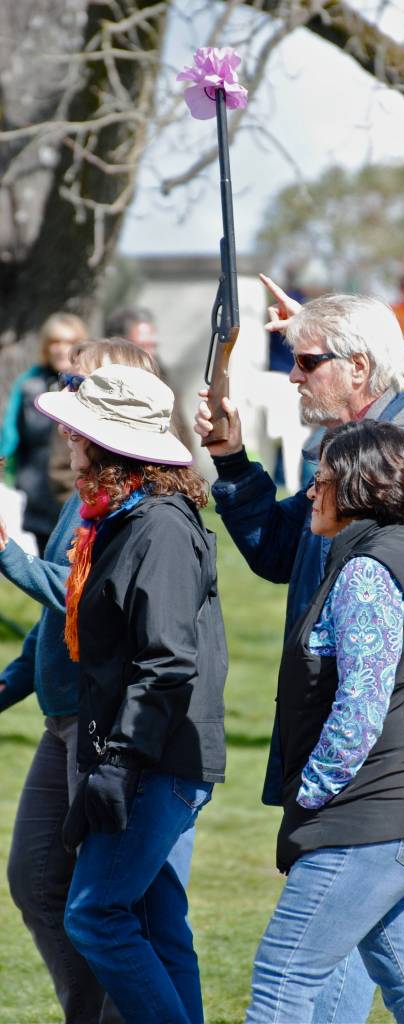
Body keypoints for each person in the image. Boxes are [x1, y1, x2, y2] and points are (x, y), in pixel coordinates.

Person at [195, 282, 404, 1023]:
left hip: (384, 768)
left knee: (295, 974)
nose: (293, 375)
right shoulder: (352, 458)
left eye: (307, 361)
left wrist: (322, 789)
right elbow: (280, 551)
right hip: (381, 769)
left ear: (358, 367)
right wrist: (231, 460)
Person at [245, 419, 404, 1023]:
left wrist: (312, 794)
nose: (309, 493)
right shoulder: (388, 550)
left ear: (355, 488)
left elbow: (360, 709)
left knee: (282, 976)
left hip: (380, 812)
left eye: (320, 480)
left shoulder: (367, 572)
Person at [0, 340, 161, 1024]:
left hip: (101, 725)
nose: (64, 399)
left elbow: (86, 597)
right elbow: (55, 620)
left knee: (106, 904)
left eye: (78, 383)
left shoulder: (136, 500)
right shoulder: (84, 493)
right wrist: (8, 685)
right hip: (61, 718)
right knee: (36, 879)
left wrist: (7, 555)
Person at [1, 312, 88, 552]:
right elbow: (12, 438)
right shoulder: (30, 386)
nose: (61, 349)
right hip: (38, 496)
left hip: (78, 495)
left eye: (69, 342)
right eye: (55, 342)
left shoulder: (92, 387)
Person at [104, 304, 194, 450]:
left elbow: (182, 433)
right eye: (142, 346)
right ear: (118, 346)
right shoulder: (105, 387)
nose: (150, 354)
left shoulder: (163, 379)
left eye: (153, 346)